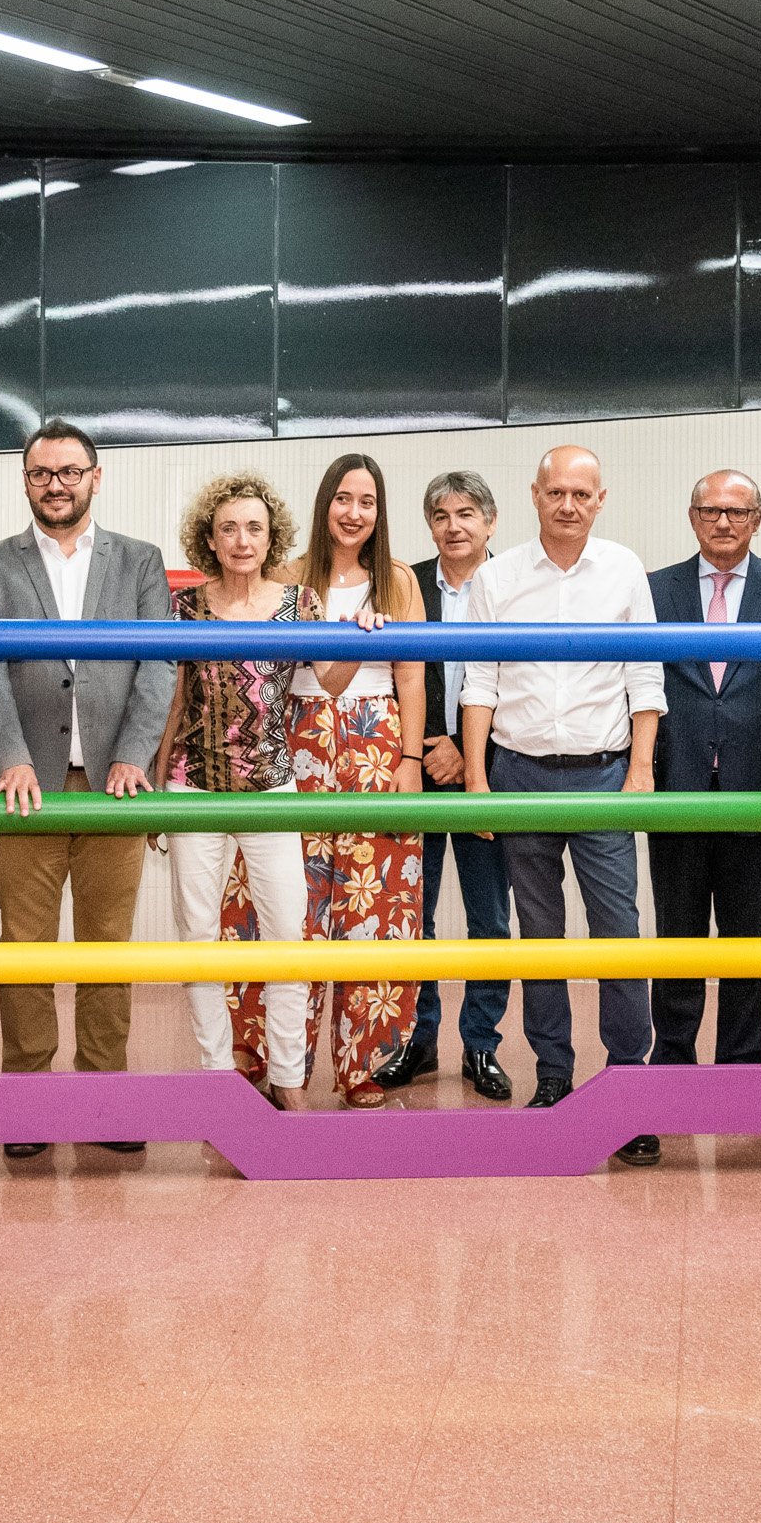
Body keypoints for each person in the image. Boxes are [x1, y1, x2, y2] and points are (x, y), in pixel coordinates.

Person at [0, 420, 175, 1158]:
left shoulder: (141, 561)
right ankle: (26, 1102)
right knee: (24, 949)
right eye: (41, 472)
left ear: (96, 477)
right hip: (24, 789)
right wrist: (11, 758)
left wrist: (135, 755)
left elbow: (160, 666)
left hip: (116, 788)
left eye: (69, 471)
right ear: (25, 480)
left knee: (108, 948)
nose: (55, 484)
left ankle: (105, 1096)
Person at [458, 445, 664, 1163]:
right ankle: (553, 1074)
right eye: (556, 492)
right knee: (540, 934)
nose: (568, 505)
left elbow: (644, 672)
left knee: (618, 933)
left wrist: (641, 770)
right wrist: (477, 782)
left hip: (605, 776)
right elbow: (479, 680)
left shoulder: (625, 569)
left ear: (601, 499)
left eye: (582, 493)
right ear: (535, 495)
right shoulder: (498, 576)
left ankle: (628, 1084)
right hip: (519, 775)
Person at [156, 472, 345, 1111]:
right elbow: (172, 701)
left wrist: (362, 630)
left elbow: (334, 680)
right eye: (229, 528)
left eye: (254, 529)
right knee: (197, 936)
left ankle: (287, 1078)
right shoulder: (184, 607)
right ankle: (217, 1076)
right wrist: (156, 790)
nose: (242, 540)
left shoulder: (300, 602)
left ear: (271, 538)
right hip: (193, 788)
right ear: (209, 539)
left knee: (287, 933)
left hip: (271, 786)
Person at [647, 470, 761, 1069]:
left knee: (751, 942)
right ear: (692, 517)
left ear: (757, 519)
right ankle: (672, 1062)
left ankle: (744, 1068)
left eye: (737, 511)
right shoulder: (653, 590)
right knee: (676, 939)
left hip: (760, 791)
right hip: (676, 789)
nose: (723, 522)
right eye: (711, 511)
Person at [281, 454, 425, 1108]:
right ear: (324, 502)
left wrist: (410, 759)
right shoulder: (288, 575)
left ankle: (366, 1066)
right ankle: (279, 1062)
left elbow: (412, 675)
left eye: (367, 501)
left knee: (379, 907)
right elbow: (307, 674)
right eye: (343, 498)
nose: (354, 512)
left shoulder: (398, 579)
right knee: (294, 906)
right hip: (299, 740)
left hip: (378, 742)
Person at [374, 470, 514, 1100]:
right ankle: (418, 1038)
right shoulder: (405, 583)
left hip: (489, 772)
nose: (453, 527)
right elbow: (398, 673)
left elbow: (526, 679)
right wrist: (434, 744)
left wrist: (468, 750)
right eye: (440, 516)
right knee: (415, 914)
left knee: (490, 918)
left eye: (466, 514)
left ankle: (481, 1044)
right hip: (420, 767)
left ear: (490, 521)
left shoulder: (514, 582)